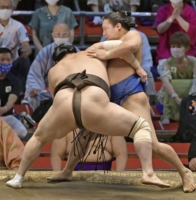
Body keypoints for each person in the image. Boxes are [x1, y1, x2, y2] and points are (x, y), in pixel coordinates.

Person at [50, 11, 195, 193]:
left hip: (131, 95)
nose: (103, 32)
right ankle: (67, 171)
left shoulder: (132, 35)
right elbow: (90, 54)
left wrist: (107, 55)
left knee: (154, 145)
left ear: (118, 26)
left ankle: (184, 172)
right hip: (108, 98)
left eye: (106, 28)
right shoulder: (105, 43)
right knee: (84, 135)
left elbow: (129, 47)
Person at [6, 44, 170, 189]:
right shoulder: (92, 52)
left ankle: (19, 177)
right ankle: (148, 172)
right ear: (75, 51)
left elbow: (56, 97)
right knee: (141, 127)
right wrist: (136, 67)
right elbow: (125, 46)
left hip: (64, 103)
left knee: (39, 137)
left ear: (56, 61)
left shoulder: (54, 70)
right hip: (94, 99)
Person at [24, 22, 79, 111]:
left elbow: (81, 76)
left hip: (69, 90)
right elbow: (34, 74)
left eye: (64, 34)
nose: (61, 36)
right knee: (36, 97)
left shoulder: (77, 53)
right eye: (58, 33)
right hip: (47, 92)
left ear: (69, 35)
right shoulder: (45, 52)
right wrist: (35, 89)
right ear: (53, 35)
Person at [157, 32, 196, 124]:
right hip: (172, 95)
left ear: (186, 48)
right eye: (173, 46)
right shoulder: (166, 63)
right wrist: (176, 98)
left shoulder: (194, 62)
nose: (175, 49)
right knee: (170, 84)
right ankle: (167, 114)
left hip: (192, 94)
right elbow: (165, 83)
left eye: (179, 46)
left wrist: (190, 101)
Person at [51, 132, 127, 171]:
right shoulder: (66, 129)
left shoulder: (112, 128)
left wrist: (119, 175)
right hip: (73, 173)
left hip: (104, 174)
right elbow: (56, 154)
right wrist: (57, 174)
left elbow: (121, 154)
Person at [0, 0, 32, 93]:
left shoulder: (18, 26)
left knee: (25, 60)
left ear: (13, 9)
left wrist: (26, 50)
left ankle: (22, 91)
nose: (5, 10)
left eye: (8, 7)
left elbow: (27, 46)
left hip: (12, 63)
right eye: (2, 7)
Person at [156, 0, 196, 68]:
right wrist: (171, 18)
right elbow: (160, 30)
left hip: (187, 54)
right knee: (166, 73)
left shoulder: (190, 10)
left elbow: (191, 30)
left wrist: (178, 17)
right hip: (166, 55)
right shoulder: (163, 10)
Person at [0, 47, 27, 139]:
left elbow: (12, 98)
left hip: (7, 116)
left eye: (8, 60)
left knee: (22, 131)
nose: (5, 63)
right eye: (2, 60)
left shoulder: (15, 81)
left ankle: (3, 140)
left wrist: (4, 108)